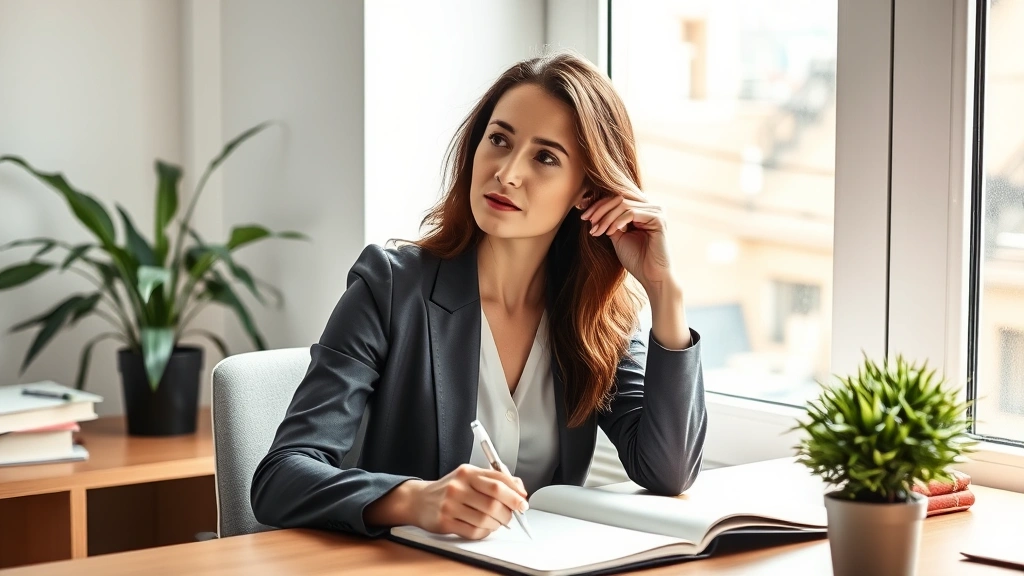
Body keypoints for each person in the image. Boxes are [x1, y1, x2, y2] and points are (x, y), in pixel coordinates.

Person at [250, 51, 706, 541]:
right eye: (499, 140)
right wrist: (413, 499)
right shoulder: (389, 288)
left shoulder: (596, 317)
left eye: (545, 157)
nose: (507, 172)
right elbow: (281, 477)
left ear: (587, 191)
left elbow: (667, 470)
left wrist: (663, 290)